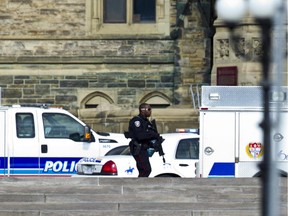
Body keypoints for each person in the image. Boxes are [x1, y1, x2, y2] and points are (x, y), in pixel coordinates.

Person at [128, 103, 160, 177]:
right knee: (146, 169)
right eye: (148, 109)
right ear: (143, 110)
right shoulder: (137, 121)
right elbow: (140, 136)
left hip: (144, 147)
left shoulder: (146, 121)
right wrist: (152, 135)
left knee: (143, 169)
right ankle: (139, 185)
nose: (150, 111)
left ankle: (139, 185)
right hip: (138, 148)